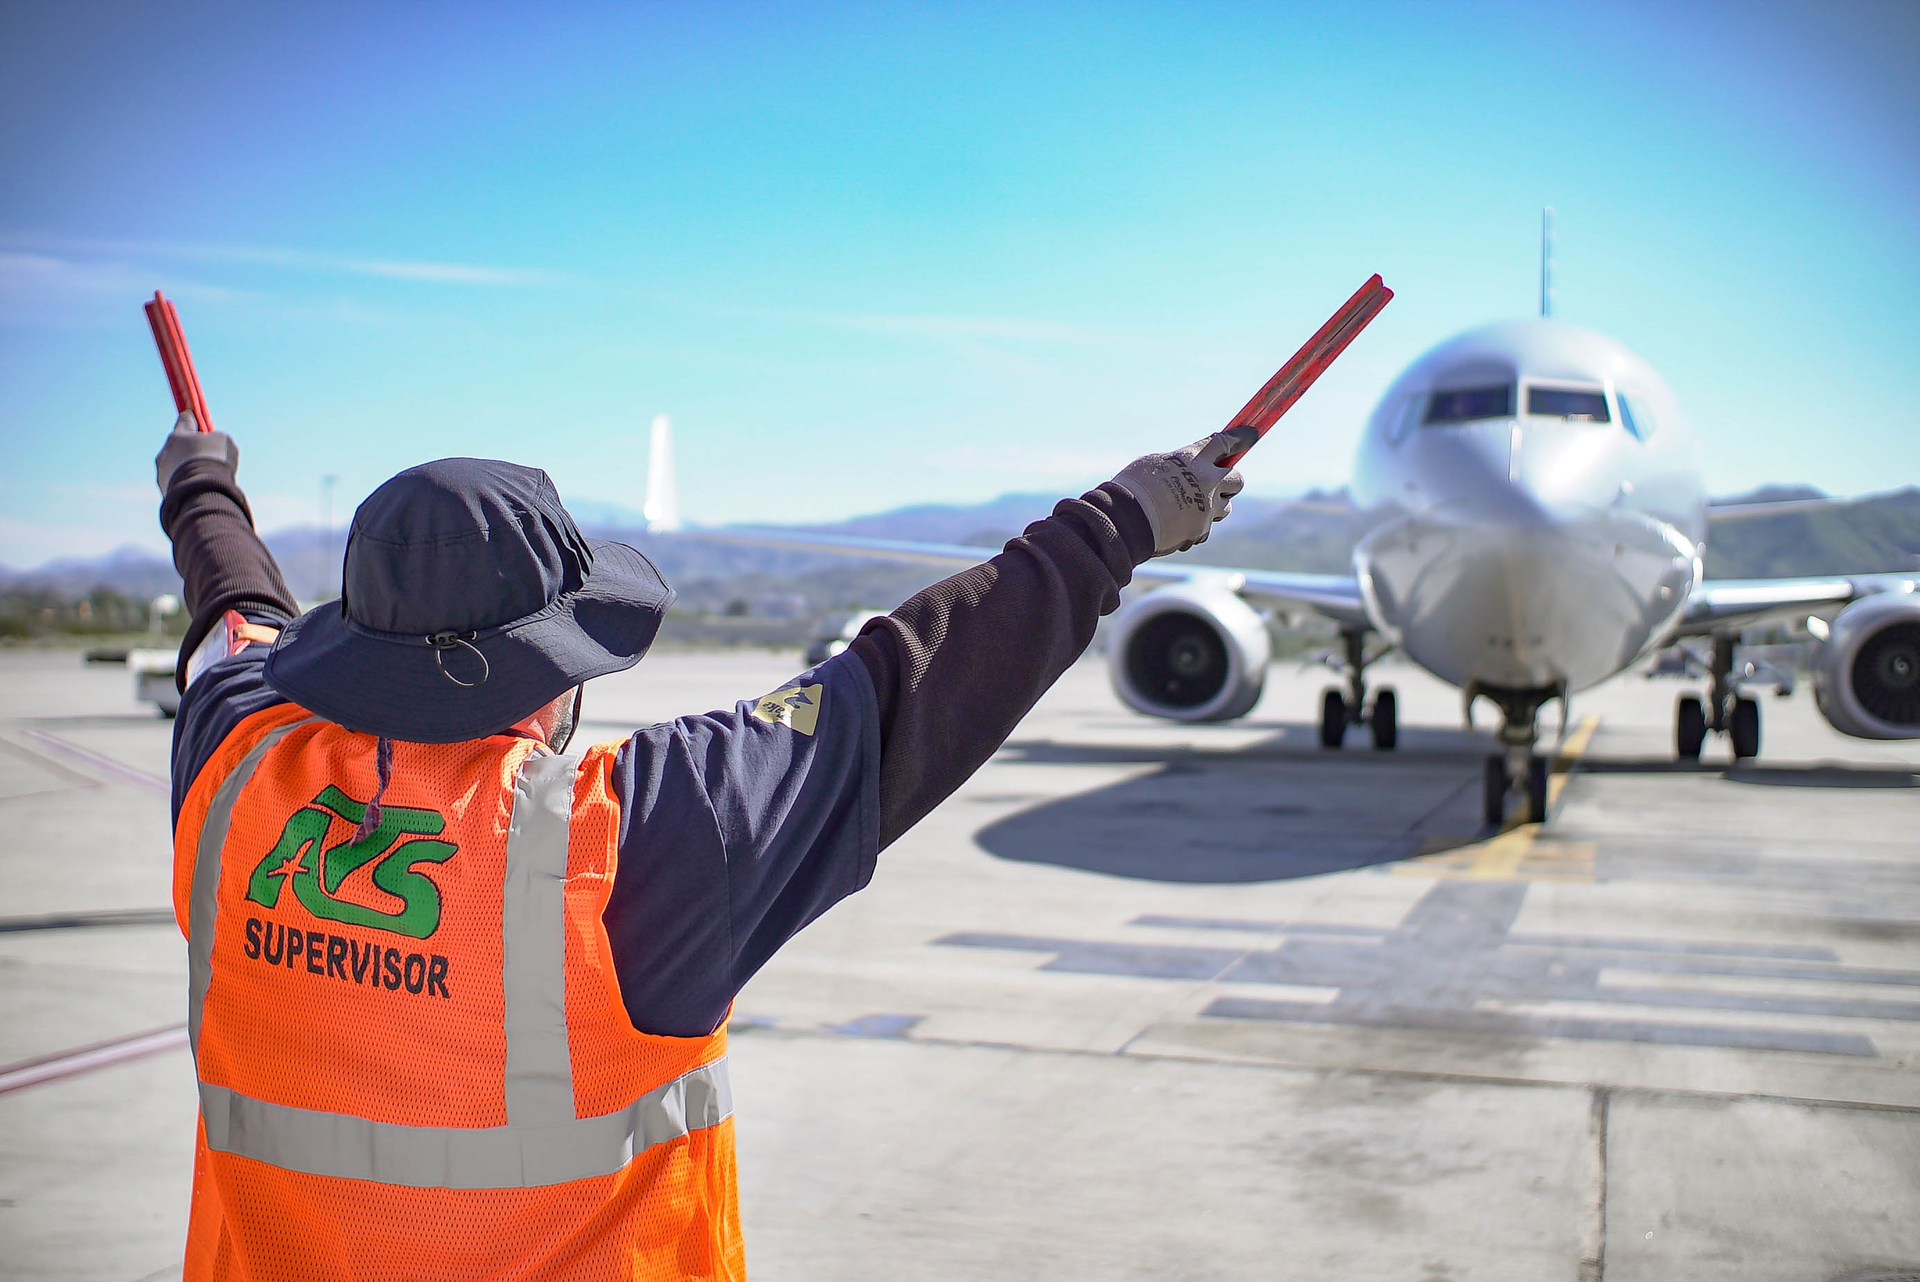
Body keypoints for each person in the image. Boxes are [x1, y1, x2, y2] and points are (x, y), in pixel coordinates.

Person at [157, 410, 1242, 1280]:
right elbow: (907, 682)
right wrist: (1122, 523)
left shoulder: (233, 755)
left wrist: (199, 485)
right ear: (552, 666)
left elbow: (232, 614)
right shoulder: (630, 836)